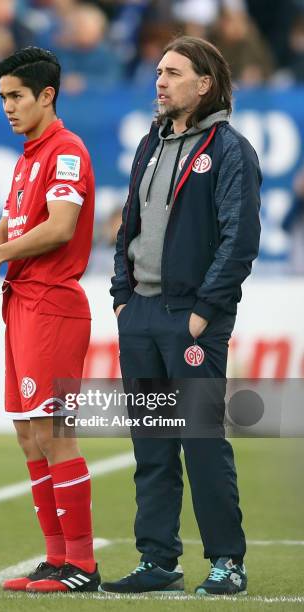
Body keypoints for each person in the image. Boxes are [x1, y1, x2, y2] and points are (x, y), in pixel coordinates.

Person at [101, 36, 261, 596]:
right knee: (151, 445)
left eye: (172, 73)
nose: (160, 82)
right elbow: (129, 226)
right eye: (158, 73)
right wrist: (122, 296)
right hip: (140, 315)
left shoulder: (230, 150)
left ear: (204, 84)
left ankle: (227, 562)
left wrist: (203, 312)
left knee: (201, 442)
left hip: (190, 320)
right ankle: (157, 559)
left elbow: (239, 239)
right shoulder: (150, 143)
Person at [0, 46, 100, 594]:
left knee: (54, 433)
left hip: (53, 304)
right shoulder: (27, 157)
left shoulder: (65, 152)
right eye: (3, 98)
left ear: (47, 96)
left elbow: (60, 227)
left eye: (16, 96)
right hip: (22, 305)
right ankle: (57, 559)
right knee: (27, 433)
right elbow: (10, 227)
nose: (8, 107)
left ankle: (82, 565)